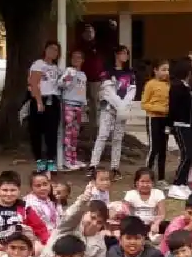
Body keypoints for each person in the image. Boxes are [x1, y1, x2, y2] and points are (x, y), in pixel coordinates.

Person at [0, 170, 50, 257]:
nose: (9, 194)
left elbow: (40, 228)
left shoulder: (25, 207)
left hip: (21, 246)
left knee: (40, 249)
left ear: (19, 190)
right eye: (5, 190)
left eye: (13, 190)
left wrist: (48, 243)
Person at [39, 182, 109, 257]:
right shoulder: (69, 225)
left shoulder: (100, 241)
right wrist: (83, 200)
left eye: (99, 222)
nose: (94, 223)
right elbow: (72, 214)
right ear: (84, 213)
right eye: (92, 217)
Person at [89, 45, 137, 178]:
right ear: (116, 55)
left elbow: (132, 91)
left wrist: (124, 105)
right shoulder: (107, 72)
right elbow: (108, 91)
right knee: (102, 135)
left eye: (126, 54)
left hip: (122, 109)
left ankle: (115, 167)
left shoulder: (130, 73)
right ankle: (93, 164)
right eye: (122, 53)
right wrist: (118, 104)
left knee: (118, 138)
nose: (124, 56)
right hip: (109, 107)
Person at [27, 41, 63, 174]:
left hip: (53, 100)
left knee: (52, 132)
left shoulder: (56, 68)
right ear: (45, 49)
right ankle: (39, 160)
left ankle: (50, 160)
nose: (53, 52)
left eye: (56, 50)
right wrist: (38, 101)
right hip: (40, 99)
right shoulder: (38, 64)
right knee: (37, 131)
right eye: (51, 49)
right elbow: (34, 83)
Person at [167, 57, 192, 200]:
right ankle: (175, 185)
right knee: (186, 155)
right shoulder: (177, 87)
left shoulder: (186, 86)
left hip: (188, 124)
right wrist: (170, 125)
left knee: (190, 155)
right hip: (180, 125)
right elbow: (172, 108)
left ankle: (183, 184)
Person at [141, 59, 171, 182]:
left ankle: (161, 178)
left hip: (166, 120)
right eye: (163, 69)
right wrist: (161, 109)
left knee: (163, 149)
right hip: (153, 118)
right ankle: (145, 176)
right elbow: (144, 104)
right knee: (154, 148)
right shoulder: (150, 84)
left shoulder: (169, 84)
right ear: (155, 70)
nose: (166, 72)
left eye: (167, 70)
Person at [59, 49, 89, 171]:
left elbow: (82, 90)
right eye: (74, 57)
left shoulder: (83, 75)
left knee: (75, 134)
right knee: (68, 133)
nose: (76, 60)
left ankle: (73, 158)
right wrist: (68, 77)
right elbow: (61, 84)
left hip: (79, 105)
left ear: (82, 60)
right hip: (69, 104)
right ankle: (66, 160)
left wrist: (84, 104)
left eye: (79, 57)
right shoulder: (69, 71)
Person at [123, 168, 167, 234]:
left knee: (167, 226)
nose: (145, 185)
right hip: (135, 224)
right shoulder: (130, 194)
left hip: (153, 224)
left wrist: (156, 224)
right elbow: (125, 212)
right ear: (137, 183)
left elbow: (162, 213)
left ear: (152, 182)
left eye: (148, 182)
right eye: (142, 181)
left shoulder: (158, 193)